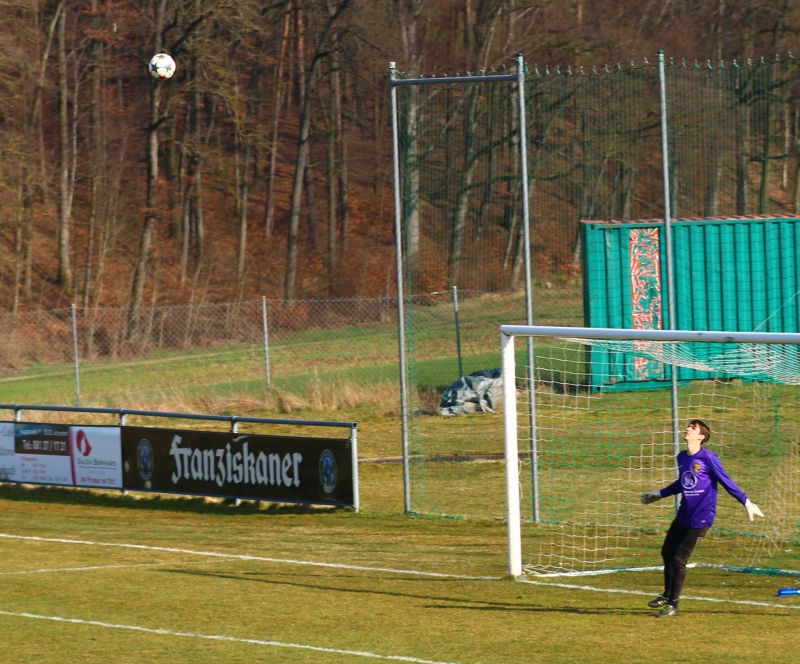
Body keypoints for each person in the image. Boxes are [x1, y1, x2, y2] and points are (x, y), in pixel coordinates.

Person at [640, 419, 764, 617]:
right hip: (684, 515)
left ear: (701, 436)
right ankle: (667, 594)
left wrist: (746, 502)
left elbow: (726, 480)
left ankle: (673, 605)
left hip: (701, 518)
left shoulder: (708, 457)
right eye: (688, 426)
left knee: (679, 558)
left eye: (693, 427)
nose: (687, 428)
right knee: (667, 552)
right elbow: (683, 482)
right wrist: (659, 494)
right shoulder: (682, 457)